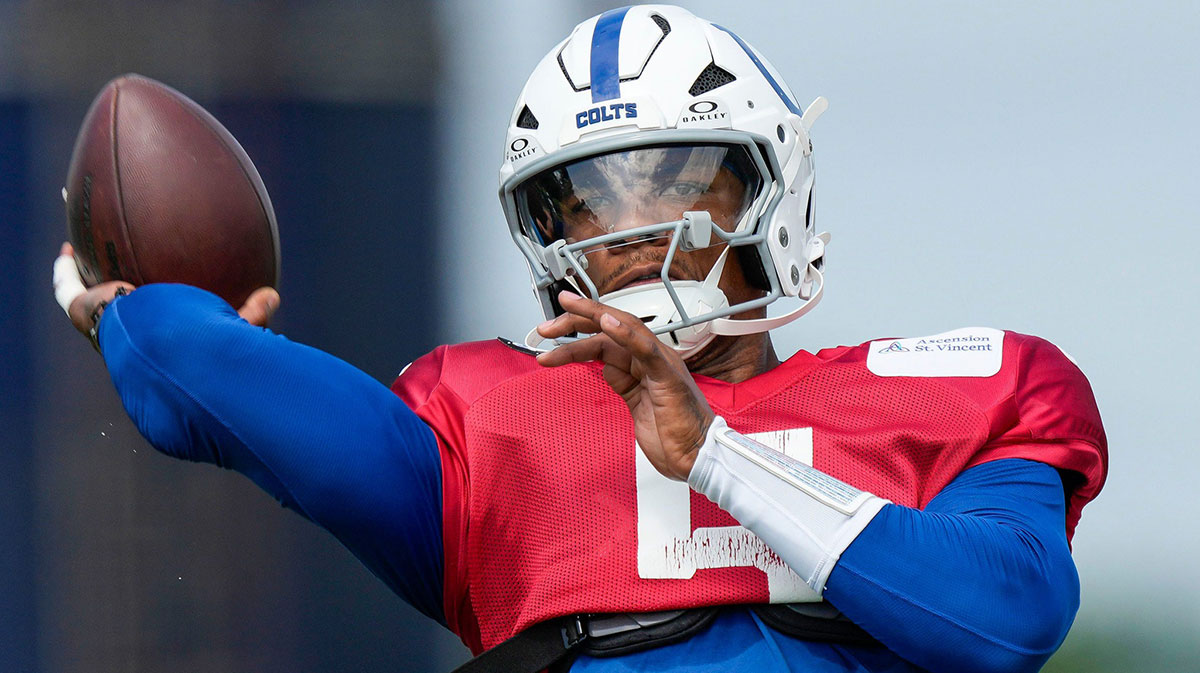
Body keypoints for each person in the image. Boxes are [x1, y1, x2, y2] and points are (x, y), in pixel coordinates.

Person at [54, 5, 1107, 673]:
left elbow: (1003, 616)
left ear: (770, 188)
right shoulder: (484, 427)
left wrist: (717, 459)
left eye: (679, 179)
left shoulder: (965, 391)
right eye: (586, 200)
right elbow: (189, 365)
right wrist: (128, 304)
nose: (633, 230)